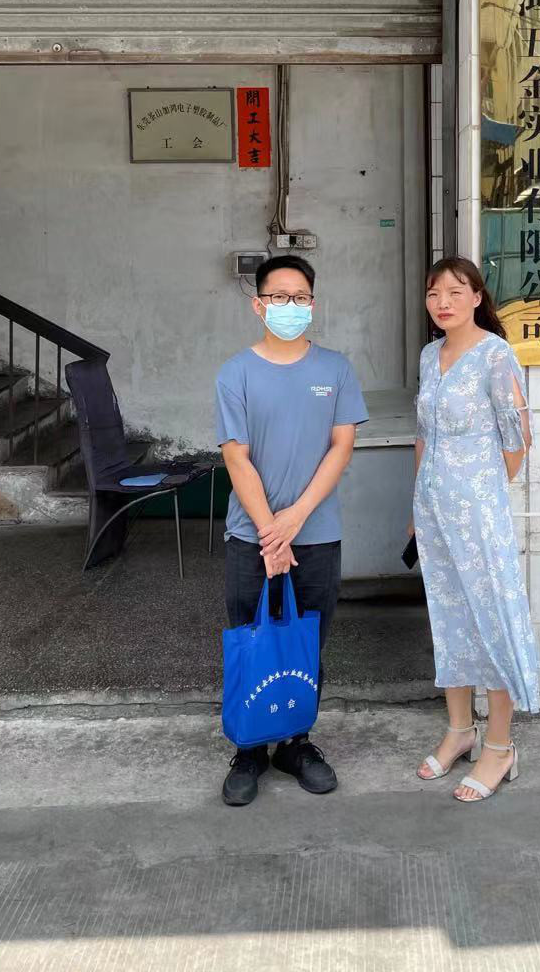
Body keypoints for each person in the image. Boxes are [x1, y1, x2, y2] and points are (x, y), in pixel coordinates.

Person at [216, 253, 368, 807]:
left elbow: (341, 447)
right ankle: (250, 748)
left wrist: (296, 518)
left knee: (307, 641)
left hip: (317, 534)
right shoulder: (235, 373)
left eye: (300, 297)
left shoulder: (335, 369)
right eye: (279, 297)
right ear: (259, 306)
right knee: (250, 639)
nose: (290, 306)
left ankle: (296, 743)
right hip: (250, 537)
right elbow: (236, 457)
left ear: (313, 305)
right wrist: (270, 533)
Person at [412, 255, 539, 803]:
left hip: (478, 518)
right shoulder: (429, 356)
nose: (443, 302)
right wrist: (420, 502)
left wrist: (479, 494)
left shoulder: (495, 354)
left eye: (455, 291)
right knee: (450, 620)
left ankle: (500, 745)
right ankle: (460, 730)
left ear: (477, 298)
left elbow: (517, 439)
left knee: (492, 623)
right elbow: (424, 435)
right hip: (432, 513)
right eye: (434, 293)